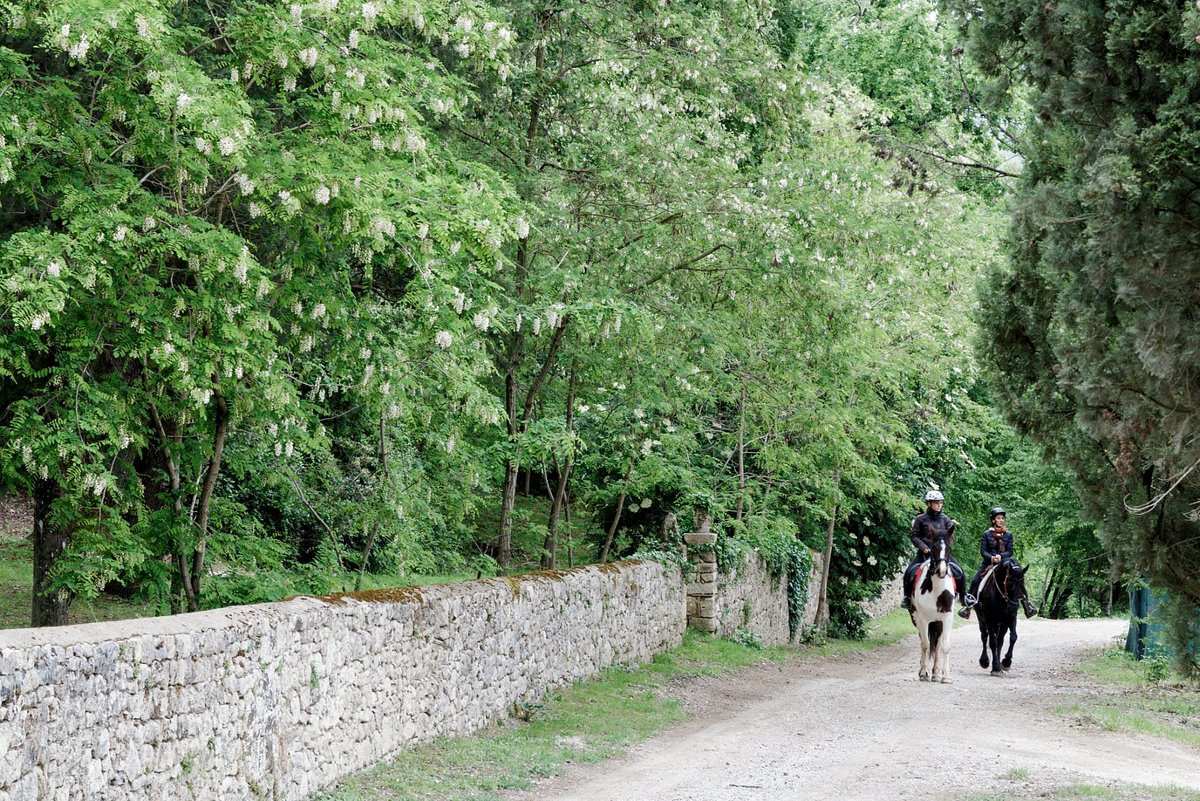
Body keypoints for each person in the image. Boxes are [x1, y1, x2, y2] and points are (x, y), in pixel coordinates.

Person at [958, 507, 1038, 619]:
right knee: (976, 581)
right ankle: (968, 607)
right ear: (993, 520)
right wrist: (992, 558)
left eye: (1002, 518)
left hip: (1004, 563)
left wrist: (1000, 556)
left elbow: (1009, 551)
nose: (1001, 520)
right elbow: (983, 551)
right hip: (988, 563)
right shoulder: (986, 534)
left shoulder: (1008, 534)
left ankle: (1027, 606)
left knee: (1018, 579)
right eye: (998, 518)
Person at [901, 490, 973, 611]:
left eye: (940, 503)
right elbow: (914, 535)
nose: (939, 505)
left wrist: (944, 549)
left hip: (943, 555)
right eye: (936, 502)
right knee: (909, 572)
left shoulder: (946, 520)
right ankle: (907, 598)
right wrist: (923, 547)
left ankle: (963, 596)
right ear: (929, 504)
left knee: (960, 572)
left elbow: (950, 537)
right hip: (925, 554)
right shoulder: (920, 519)